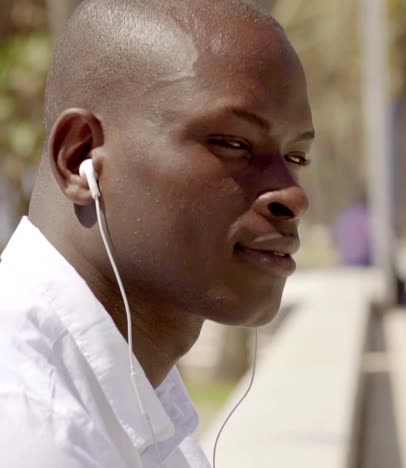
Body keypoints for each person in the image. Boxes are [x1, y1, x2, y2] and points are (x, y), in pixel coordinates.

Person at [0, 0, 314, 467]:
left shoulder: (136, 387)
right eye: (233, 144)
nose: (292, 195)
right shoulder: (34, 429)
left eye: (296, 157)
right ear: (79, 157)